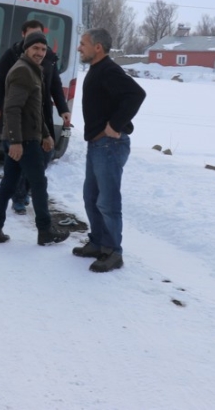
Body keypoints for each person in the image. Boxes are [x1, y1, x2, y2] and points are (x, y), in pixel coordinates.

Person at [0, 31, 70, 246]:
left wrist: (46, 134)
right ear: (26, 49)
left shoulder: (33, 70)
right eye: (35, 48)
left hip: (25, 137)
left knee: (8, 184)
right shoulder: (23, 71)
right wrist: (16, 141)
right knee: (38, 184)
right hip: (23, 140)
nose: (40, 53)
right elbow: (12, 108)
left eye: (43, 49)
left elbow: (34, 110)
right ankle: (45, 231)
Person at [74, 28, 146, 272]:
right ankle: (98, 243)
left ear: (98, 47)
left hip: (110, 145)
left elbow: (136, 94)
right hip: (97, 145)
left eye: (83, 43)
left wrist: (115, 125)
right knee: (91, 197)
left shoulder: (109, 70)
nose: (79, 48)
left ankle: (113, 251)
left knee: (107, 201)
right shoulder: (97, 69)